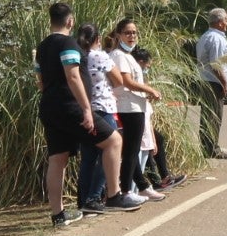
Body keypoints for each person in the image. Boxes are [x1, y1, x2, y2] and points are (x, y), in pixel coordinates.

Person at [35, 2, 110, 227]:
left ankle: (58, 215)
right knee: (113, 141)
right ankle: (113, 194)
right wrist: (86, 109)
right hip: (70, 107)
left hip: (49, 106)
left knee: (57, 159)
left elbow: (40, 83)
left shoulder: (42, 46)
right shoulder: (67, 42)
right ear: (70, 21)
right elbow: (73, 76)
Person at [76, 22, 146, 213]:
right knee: (111, 150)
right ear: (97, 39)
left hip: (85, 110)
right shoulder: (100, 56)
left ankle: (84, 200)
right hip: (103, 108)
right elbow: (118, 80)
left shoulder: (79, 56)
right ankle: (96, 196)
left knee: (89, 157)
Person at [107, 18, 167, 201]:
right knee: (131, 150)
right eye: (127, 33)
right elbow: (127, 82)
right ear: (119, 35)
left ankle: (141, 186)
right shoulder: (118, 55)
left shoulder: (128, 56)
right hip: (128, 107)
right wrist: (150, 90)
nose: (132, 36)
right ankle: (126, 191)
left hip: (136, 105)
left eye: (134, 32)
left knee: (132, 149)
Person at [131, 47, 184, 191]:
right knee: (147, 145)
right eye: (147, 66)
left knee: (153, 142)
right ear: (141, 62)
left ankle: (156, 179)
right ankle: (154, 181)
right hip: (133, 115)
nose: (147, 69)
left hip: (140, 114)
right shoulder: (132, 73)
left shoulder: (138, 74)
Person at [195, 7, 227, 159]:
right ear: (219, 22)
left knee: (208, 115)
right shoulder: (216, 38)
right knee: (214, 116)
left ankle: (207, 147)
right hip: (213, 81)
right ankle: (212, 148)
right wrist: (224, 83)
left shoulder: (206, 36)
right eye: (226, 20)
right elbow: (215, 63)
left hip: (207, 80)